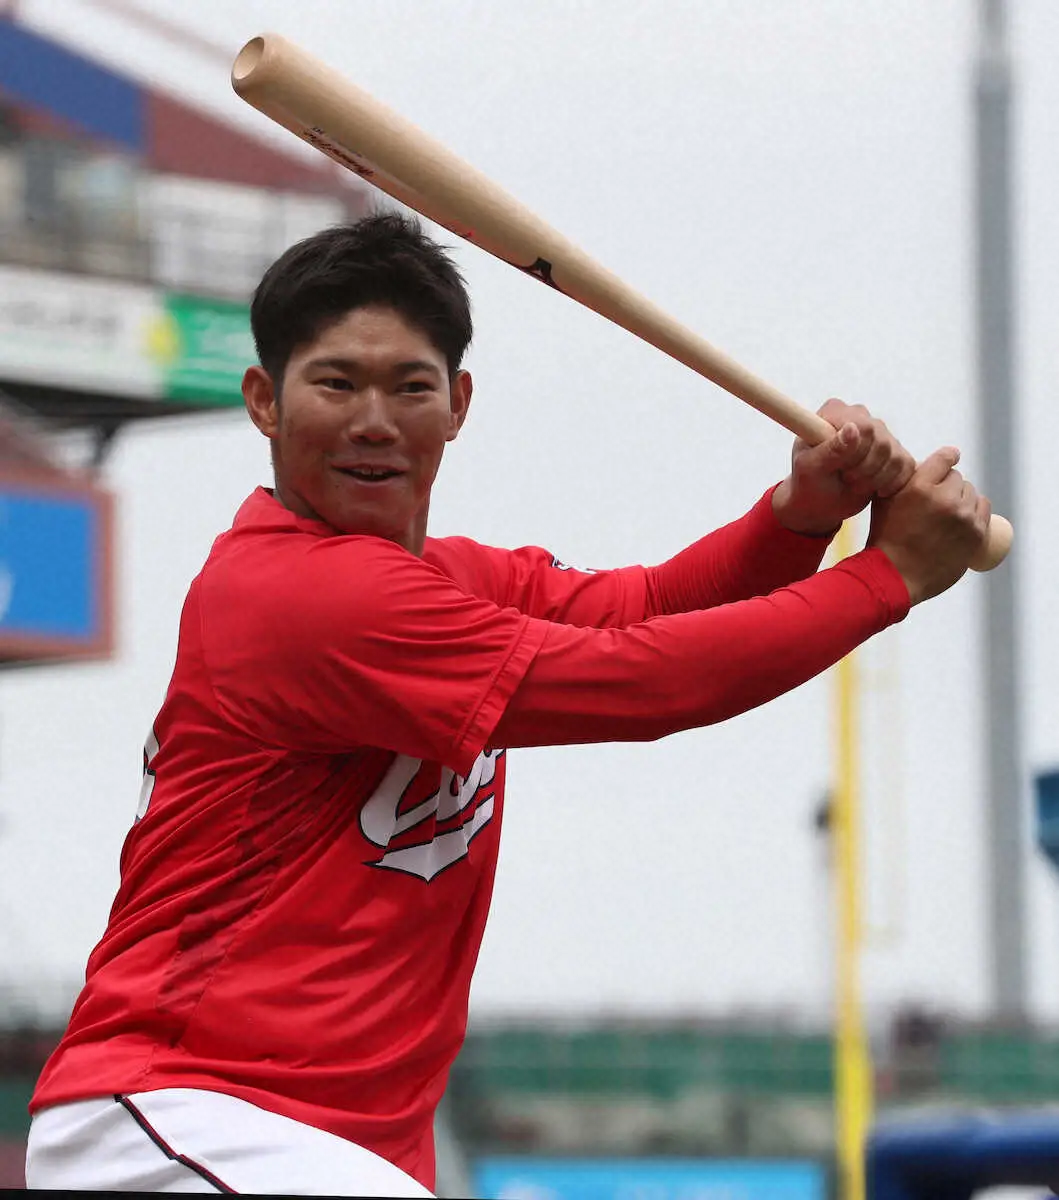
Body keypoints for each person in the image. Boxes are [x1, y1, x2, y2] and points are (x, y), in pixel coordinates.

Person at [24, 213, 989, 1196]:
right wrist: (889, 576)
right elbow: (651, 683)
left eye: (410, 386)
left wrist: (802, 516)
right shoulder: (298, 593)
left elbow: (654, 609)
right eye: (336, 383)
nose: (372, 420)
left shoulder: (453, 583)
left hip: (310, 1139)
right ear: (264, 402)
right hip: (187, 1109)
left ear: (458, 405)